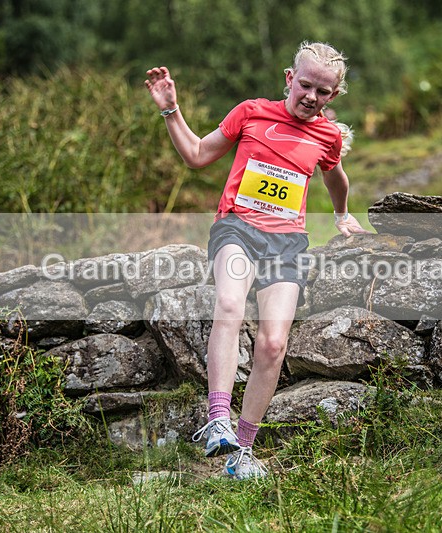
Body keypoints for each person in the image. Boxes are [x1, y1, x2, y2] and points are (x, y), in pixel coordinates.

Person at [145, 41, 367, 480]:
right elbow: (196, 155)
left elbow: (335, 175)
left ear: (334, 97)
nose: (310, 97)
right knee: (228, 305)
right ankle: (217, 418)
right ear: (289, 78)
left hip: (287, 244)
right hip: (238, 229)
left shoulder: (327, 136)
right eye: (305, 85)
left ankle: (242, 451)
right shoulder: (251, 112)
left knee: (272, 344)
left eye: (323, 93)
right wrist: (171, 110)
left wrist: (343, 215)